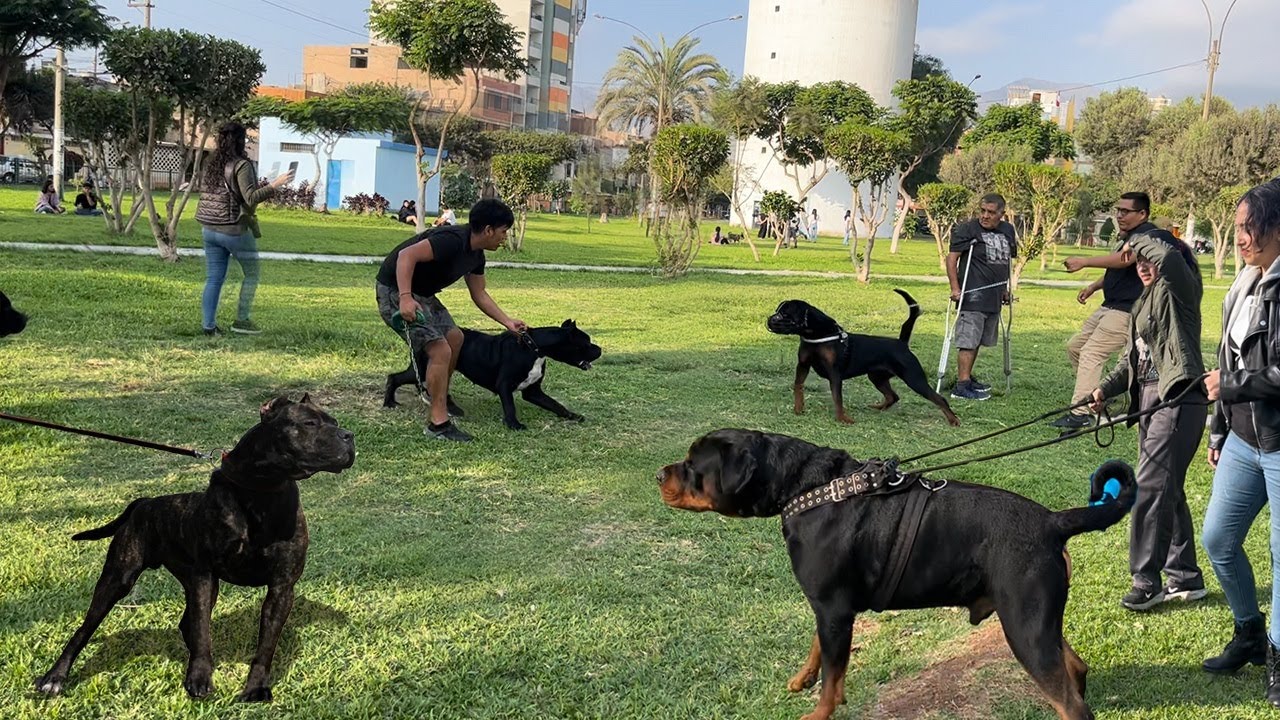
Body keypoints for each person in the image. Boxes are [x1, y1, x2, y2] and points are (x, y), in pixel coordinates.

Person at [1090, 191, 1207, 613]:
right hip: (1150, 401)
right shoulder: (1142, 302)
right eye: (1138, 262)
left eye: (1149, 261)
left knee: (1151, 488)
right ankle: (1186, 577)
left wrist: (1136, 236)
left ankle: (1146, 580)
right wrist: (1105, 388)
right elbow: (1133, 360)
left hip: (1179, 398)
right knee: (1167, 489)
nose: (1143, 267)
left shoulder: (1180, 291)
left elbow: (1171, 260)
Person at [1200, 180, 1280, 702]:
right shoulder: (1243, 284)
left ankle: (1277, 653)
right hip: (1243, 441)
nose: (1241, 239)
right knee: (1218, 540)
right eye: (1237, 229)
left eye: (1249, 228)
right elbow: (1229, 357)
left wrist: (1229, 386)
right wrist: (1219, 425)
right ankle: (1250, 631)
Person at [375, 199, 527, 443]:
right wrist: (404, 298)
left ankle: (437, 392)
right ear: (488, 230)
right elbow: (406, 256)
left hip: (422, 294)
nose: (504, 237)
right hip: (395, 289)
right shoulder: (452, 240)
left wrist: (507, 322)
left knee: (456, 338)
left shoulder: (476, 255)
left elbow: (479, 294)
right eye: (503, 231)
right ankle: (438, 424)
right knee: (439, 350)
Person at [194, 121, 294, 336]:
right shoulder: (241, 165)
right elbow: (250, 198)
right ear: (241, 140)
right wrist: (276, 184)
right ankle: (241, 320)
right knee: (252, 274)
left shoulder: (211, 162)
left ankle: (208, 327)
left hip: (209, 228)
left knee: (213, 279)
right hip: (233, 229)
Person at [1053, 241, 1142, 428]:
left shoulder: (1143, 236)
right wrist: (1093, 287)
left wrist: (1084, 261)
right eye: (1118, 211)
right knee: (1075, 347)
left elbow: (1124, 260)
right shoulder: (1123, 239)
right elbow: (1115, 269)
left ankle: (1080, 414)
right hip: (1108, 305)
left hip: (1125, 310)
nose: (1119, 216)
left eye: (1125, 212)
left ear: (1141, 215)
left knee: (1091, 353)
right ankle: (1102, 395)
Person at [946, 193, 1016, 401]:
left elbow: (1005, 262)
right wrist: (955, 288)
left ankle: (967, 379)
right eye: (983, 211)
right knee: (968, 340)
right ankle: (961, 385)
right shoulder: (967, 229)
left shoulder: (1008, 231)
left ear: (1001, 214)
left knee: (978, 340)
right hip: (972, 294)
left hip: (993, 296)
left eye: (991, 212)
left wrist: (1005, 289)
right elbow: (952, 259)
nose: (985, 216)